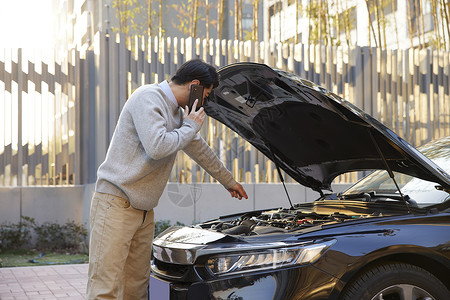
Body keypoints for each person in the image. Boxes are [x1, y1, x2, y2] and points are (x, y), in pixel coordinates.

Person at [86, 59, 248, 299]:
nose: (204, 101)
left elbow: (200, 150)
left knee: (137, 289)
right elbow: (157, 146)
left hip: (144, 211)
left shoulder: (179, 115)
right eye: (205, 94)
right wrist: (191, 125)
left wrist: (229, 181)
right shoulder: (147, 97)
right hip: (115, 204)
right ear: (194, 85)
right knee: (106, 288)